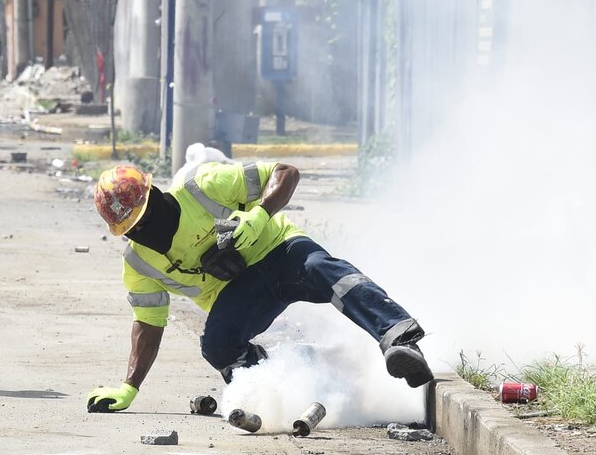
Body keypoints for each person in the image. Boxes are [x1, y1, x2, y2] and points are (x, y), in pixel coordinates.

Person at [87, 161, 434, 412]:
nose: (143, 229)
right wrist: (129, 387)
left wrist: (260, 214)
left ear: (154, 194)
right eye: (133, 229)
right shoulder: (138, 265)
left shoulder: (203, 186)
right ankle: (283, 384)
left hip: (280, 250)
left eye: (145, 216)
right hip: (242, 292)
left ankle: (398, 339)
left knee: (324, 270)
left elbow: (285, 172)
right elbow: (148, 325)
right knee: (218, 346)